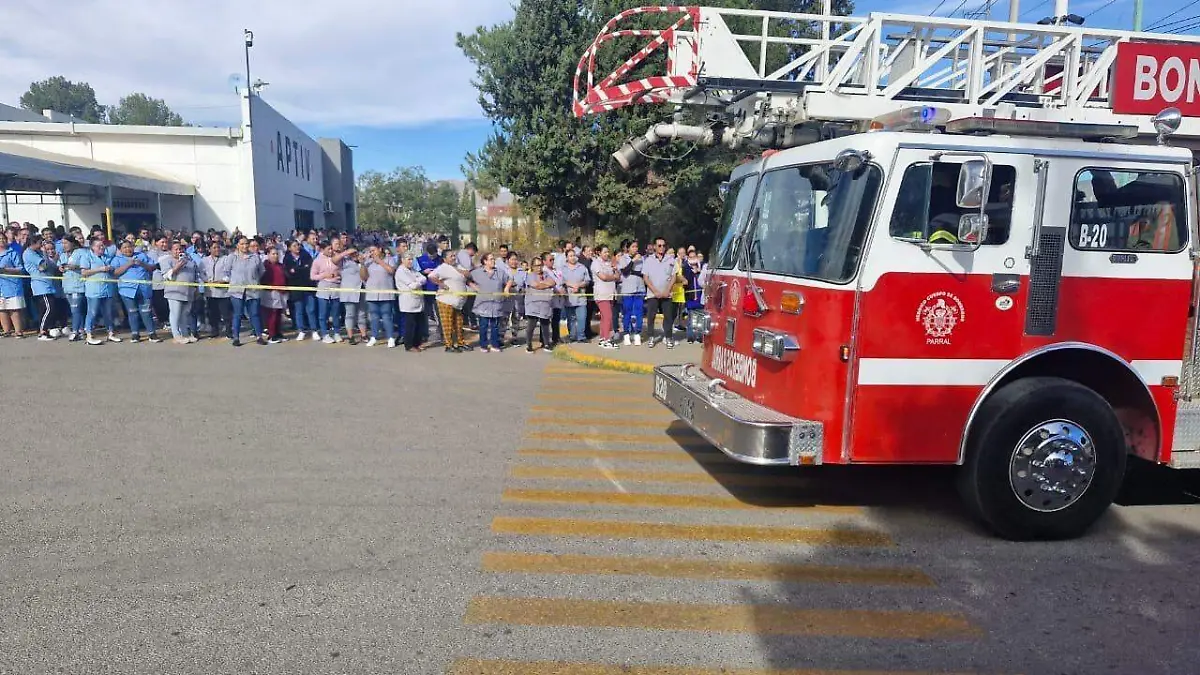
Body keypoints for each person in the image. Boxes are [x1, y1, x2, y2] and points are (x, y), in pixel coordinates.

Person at [111, 240, 163, 344]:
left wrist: (142, 264)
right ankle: (135, 334)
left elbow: (152, 267)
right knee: (132, 312)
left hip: (144, 289)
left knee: (146, 312)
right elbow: (115, 273)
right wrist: (128, 264)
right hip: (127, 290)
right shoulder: (117, 259)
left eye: (129, 247)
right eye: (124, 247)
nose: (127, 249)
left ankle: (152, 333)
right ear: (120, 250)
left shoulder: (141, 255)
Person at [468, 251, 511, 353]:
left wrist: (506, 289)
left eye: (493, 259)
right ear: (485, 261)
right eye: (491, 259)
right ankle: (483, 345)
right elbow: (466, 278)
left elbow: (509, 280)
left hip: (496, 304)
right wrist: (474, 286)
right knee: (483, 326)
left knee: (495, 326)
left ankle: (494, 344)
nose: (493, 261)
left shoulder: (500, 272)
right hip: (483, 304)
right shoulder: (477, 272)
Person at [79, 238, 120, 345]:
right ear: (92, 247)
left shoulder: (107, 257)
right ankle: (89, 334)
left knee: (108, 312)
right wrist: (100, 269)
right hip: (94, 290)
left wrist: (110, 268)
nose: (101, 247)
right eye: (99, 246)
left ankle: (111, 333)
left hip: (108, 289)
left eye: (102, 245)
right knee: (92, 313)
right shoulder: (87, 257)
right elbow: (84, 272)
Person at [227, 236, 266, 347]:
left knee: (255, 314)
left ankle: (259, 336)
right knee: (237, 314)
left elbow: (261, 271)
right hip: (237, 291)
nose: (245, 246)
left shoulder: (255, 257)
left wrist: (254, 280)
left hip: (253, 290)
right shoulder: (232, 257)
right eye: (242, 244)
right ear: (237, 245)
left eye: (246, 244)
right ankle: (236, 338)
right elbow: (227, 271)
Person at [23, 236, 64, 340]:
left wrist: (57, 266)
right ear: (33, 242)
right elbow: (44, 265)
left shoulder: (38, 252)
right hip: (40, 285)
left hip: (48, 284)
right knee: (49, 308)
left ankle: (45, 330)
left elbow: (50, 264)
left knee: (45, 310)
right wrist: (45, 253)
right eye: (40, 243)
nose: (42, 246)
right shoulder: (29, 253)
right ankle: (42, 331)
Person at [429, 249, 468, 352]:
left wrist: (457, 269)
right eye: (451, 256)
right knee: (448, 324)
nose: (454, 258)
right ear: (445, 259)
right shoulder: (442, 268)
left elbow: (467, 274)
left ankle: (460, 343)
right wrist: (441, 284)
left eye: (454, 256)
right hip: (445, 300)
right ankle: (449, 345)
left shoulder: (458, 266)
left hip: (458, 301)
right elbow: (431, 276)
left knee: (459, 324)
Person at [641, 237, 677, 349]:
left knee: (668, 316)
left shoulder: (671, 260)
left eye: (663, 245)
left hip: (667, 294)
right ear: (655, 247)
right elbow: (645, 277)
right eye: (659, 245)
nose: (662, 247)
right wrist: (655, 291)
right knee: (651, 316)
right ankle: (651, 337)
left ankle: (668, 337)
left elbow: (674, 276)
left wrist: (667, 290)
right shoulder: (648, 260)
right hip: (653, 294)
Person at [161, 241, 200, 344]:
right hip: (174, 292)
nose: (179, 251)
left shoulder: (190, 261)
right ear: (171, 250)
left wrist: (196, 288)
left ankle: (185, 333)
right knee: (175, 314)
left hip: (188, 291)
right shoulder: (167, 261)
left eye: (180, 249)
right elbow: (166, 276)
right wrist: (178, 266)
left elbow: (195, 275)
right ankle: (176, 335)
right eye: (176, 249)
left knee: (185, 314)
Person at [361, 245, 398, 348]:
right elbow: (363, 277)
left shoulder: (389, 259)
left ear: (380, 250)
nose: (371, 253)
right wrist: (363, 264)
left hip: (386, 294)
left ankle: (390, 337)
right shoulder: (368, 262)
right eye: (370, 251)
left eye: (373, 250)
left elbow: (391, 271)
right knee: (373, 317)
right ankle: (374, 336)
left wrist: (379, 261)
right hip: (372, 294)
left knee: (387, 317)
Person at [522, 254, 556, 353]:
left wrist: (543, 284)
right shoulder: (529, 275)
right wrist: (545, 284)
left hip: (545, 304)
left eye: (540, 265)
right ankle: (528, 345)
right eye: (536, 265)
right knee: (531, 326)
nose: (539, 267)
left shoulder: (546, 274)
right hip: (533, 304)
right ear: (532, 267)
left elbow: (553, 282)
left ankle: (546, 343)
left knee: (545, 325)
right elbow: (536, 286)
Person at [283, 239, 316, 341]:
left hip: (308, 286)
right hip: (295, 288)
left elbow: (309, 268)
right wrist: (301, 269)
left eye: (298, 245)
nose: (297, 247)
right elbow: (289, 273)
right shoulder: (287, 259)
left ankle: (314, 330)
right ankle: (301, 330)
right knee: (299, 310)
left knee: (311, 309)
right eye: (294, 246)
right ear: (289, 248)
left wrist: (297, 269)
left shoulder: (306, 255)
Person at [394, 252, 426, 352]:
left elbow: (424, 278)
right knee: (410, 325)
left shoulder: (413, 270)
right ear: (402, 260)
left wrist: (418, 281)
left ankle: (417, 343)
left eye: (412, 259)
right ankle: (409, 345)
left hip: (418, 301)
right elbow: (412, 285)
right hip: (408, 302)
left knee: (419, 324)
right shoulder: (400, 271)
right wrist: (418, 281)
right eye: (408, 259)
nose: (410, 261)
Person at [311, 241, 343, 344]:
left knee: (336, 313)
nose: (330, 251)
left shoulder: (336, 258)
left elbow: (342, 270)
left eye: (331, 248)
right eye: (328, 249)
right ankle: (325, 334)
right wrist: (324, 275)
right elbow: (313, 276)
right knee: (323, 314)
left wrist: (338, 273)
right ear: (322, 249)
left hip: (335, 288)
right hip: (323, 289)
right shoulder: (317, 261)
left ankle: (337, 332)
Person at [201, 242, 233, 339]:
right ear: (209, 249)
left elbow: (230, 273)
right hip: (210, 292)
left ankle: (228, 331)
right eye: (214, 248)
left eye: (218, 247)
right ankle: (214, 330)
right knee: (212, 313)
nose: (217, 249)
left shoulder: (226, 259)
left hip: (223, 292)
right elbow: (201, 273)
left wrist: (223, 281)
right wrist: (206, 280)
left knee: (226, 313)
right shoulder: (204, 261)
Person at [590, 244, 620, 349]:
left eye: (608, 252)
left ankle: (603, 338)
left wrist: (615, 269)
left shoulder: (609, 263)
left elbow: (617, 276)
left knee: (604, 317)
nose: (607, 254)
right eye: (605, 252)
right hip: (601, 294)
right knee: (608, 316)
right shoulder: (596, 263)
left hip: (611, 293)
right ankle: (607, 339)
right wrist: (613, 277)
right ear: (599, 252)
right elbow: (603, 277)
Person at [617, 240, 645, 346]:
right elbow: (624, 272)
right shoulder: (623, 258)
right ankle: (626, 334)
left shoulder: (642, 259)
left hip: (640, 289)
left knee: (639, 312)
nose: (635, 249)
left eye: (636, 247)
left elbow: (643, 273)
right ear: (628, 248)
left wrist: (633, 272)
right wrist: (633, 261)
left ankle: (637, 333)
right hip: (627, 289)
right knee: (627, 312)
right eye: (633, 247)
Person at [561, 249, 591, 343]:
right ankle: (572, 336)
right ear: (566, 257)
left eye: (574, 255)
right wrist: (570, 285)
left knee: (582, 317)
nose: (573, 257)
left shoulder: (582, 267)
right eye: (570, 255)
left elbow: (587, 280)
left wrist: (579, 285)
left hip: (581, 296)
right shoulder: (562, 268)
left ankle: (581, 336)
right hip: (569, 298)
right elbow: (561, 280)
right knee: (571, 318)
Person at [260, 247, 289, 344]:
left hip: (282, 292)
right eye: (273, 254)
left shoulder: (281, 266)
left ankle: (278, 333)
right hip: (271, 293)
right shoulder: (265, 266)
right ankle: (271, 335)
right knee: (272, 314)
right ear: (268, 255)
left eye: (276, 254)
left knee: (278, 314)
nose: (275, 256)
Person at [60, 237, 86, 341]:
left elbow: (86, 265)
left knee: (76, 309)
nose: (64, 245)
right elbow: (60, 266)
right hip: (67, 286)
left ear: (72, 243)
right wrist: (60, 268)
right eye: (63, 243)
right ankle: (81, 330)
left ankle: (75, 331)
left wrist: (76, 267)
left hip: (78, 285)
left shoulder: (81, 252)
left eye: (66, 243)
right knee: (74, 310)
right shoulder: (62, 255)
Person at [0, 236, 26, 338]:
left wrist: (6, 270)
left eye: (3, 238)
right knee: (2, 309)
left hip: (12, 285)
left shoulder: (12, 253)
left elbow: (20, 268)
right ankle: (6, 331)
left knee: (14, 309)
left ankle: (18, 331)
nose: (1, 240)